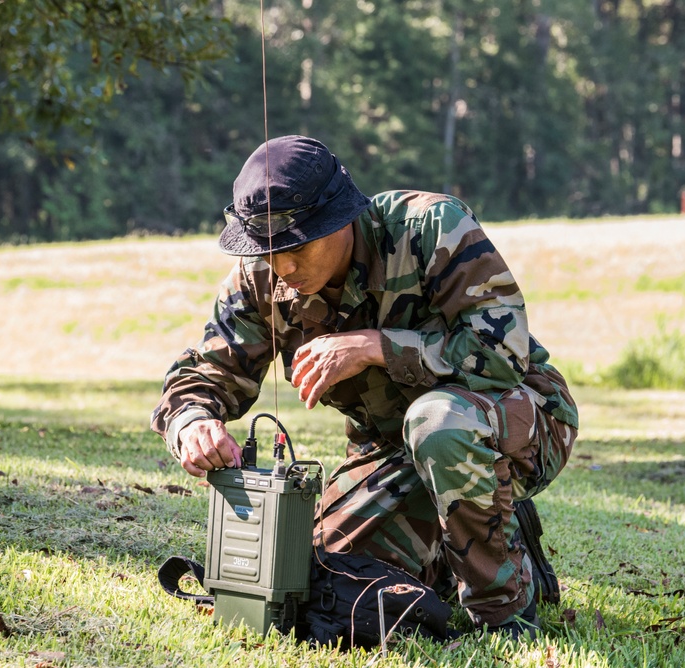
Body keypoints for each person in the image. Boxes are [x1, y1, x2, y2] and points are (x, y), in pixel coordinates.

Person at [151, 135, 578, 639]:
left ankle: (504, 612)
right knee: (331, 573)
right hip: (391, 448)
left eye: (297, 246)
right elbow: (205, 372)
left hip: (518, 418)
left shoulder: (429, 229)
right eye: (268, 251)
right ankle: (486, 534)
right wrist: (191, 421)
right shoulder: (262, 274)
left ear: (340, 218)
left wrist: (378, 346)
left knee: (437, 423)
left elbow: (504, 353)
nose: (283, 267)